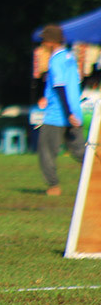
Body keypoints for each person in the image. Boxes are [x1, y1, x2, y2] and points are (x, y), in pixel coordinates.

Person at [36, 24, 85, 196]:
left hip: (58, 115)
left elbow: (60, 87)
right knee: (81, 153)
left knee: (46, 152)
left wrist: (68, 113)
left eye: (44, 40)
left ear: (51, 42)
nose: (42, 43)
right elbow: (72, 84)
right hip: (75, 112)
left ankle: (53, 186)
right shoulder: (70, 57)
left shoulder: (55, 60)